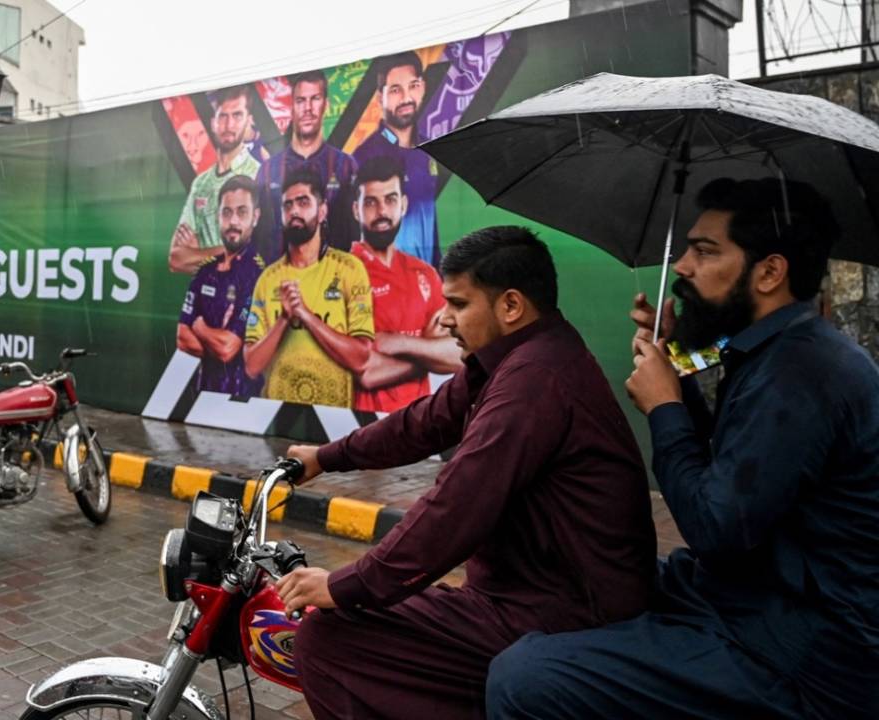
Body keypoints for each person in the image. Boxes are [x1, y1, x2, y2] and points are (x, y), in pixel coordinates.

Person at [486, 179, 879, 719]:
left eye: (705, 251)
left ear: (769, 272)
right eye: (688, 248)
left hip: (798, 653)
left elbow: (716, 527)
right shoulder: (778, 351)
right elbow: (738, 479)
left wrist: (665, 407)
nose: (684, 268)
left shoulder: (802, 374)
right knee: (590, 583)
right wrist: (680, 378)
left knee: (523, 676)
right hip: (750, 599)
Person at [275, 226, 656, 719]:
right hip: (529, 594)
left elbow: (455, 506)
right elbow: (423, 423)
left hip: (559, 612)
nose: (444, 318)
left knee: (329, 637)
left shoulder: (534, 381)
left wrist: (347, 585)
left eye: (458, 304)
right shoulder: (513, 361)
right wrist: (326, 456)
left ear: (511, 306)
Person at [243, 167, 374, 408]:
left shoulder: (349, 270)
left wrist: (305, 315)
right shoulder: (268, 279)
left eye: (303, 202)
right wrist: (284, 318)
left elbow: (361, 359)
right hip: (274, 418)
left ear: (322, 211)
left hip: (334, 420)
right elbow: (251, 366)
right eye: (287, 205)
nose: (294, 211)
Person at [351, 155, 462, 412]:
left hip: (417, 427)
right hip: (361, 428)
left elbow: (460, 354)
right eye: (370, 202)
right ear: (356, 209)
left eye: (390, 200)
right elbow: (367, 373)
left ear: (403, 204)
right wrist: (429, 349)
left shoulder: (425, 274)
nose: (381, 212)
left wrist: (399, 343)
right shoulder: (343, 274)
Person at [253, 70, 358, 262]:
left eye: (315, 99)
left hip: (332, 284)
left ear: (326, 104)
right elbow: (258, 239)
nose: (307, 108)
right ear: (291, 107)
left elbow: (355, 235)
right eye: (300, 101)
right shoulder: (268, 171)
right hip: (280, 284)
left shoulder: (346, 166)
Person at [176, 175, 265, 398]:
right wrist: (216, 340)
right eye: (227, 212)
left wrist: (199, 326)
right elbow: (181, 338)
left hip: (242, 404)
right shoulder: (204, 272)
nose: (233, 221)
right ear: (218, 217)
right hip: (201, 401)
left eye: (242, 212)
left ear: (255, 217)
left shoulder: (258, 275)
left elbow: (228, 349)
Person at [353, 51, 441, 266]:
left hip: (427, 284)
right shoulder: (362, 157)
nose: (406, 98)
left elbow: (431, 224)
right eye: (395, 90)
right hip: (383, 285)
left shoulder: (430, 150)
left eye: (413, 85)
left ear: (422, 87)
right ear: (379, 97)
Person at [169, 86, 262, 274]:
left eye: (237, 116)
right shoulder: (201, 183)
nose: (229, 126)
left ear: (249, 121)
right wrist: (229, 252)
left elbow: (258, 254)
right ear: (213, 123)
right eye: (223, 116)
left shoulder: (259, 174)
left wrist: (195, 252)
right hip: (205, 297)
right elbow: (176, 259)